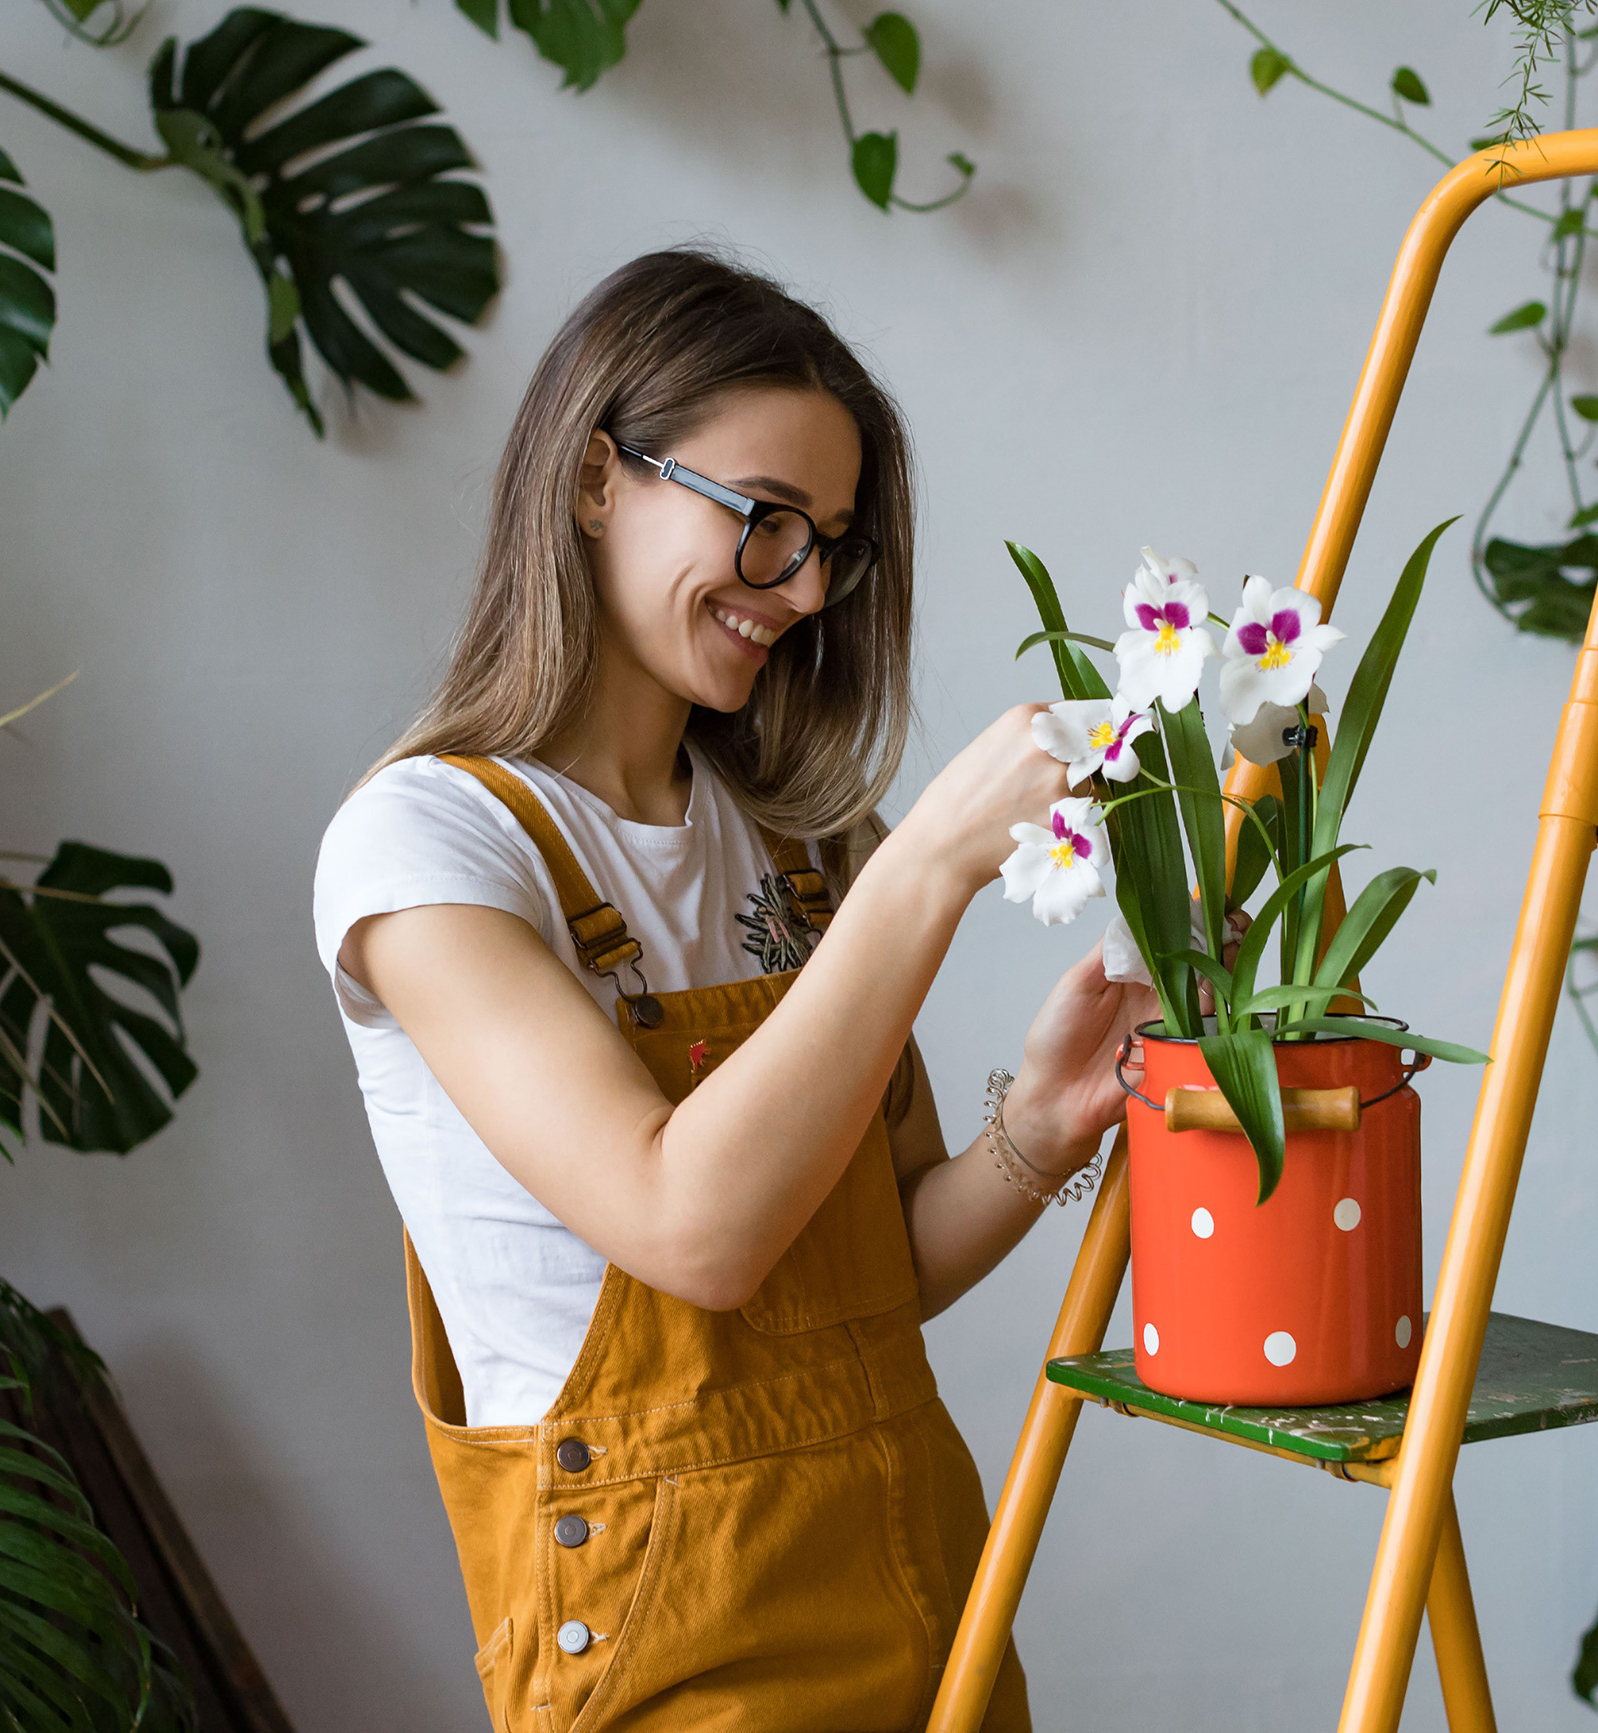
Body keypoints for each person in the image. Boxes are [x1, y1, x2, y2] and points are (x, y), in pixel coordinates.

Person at [313, 248, 1152, 1732]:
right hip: (667, 1637)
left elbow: (865, 1279)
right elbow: (690, 1228)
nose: (806, 586)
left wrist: (1040, 1126)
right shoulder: (425, 846)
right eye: (766, 523)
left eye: (830, 543)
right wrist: (935, 866)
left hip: (917, 1582)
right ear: (593, 477)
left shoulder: (806, 842)